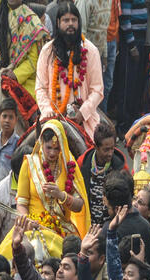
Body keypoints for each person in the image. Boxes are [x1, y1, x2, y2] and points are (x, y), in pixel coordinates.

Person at [9, 121, 91, 259]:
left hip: (62, 230)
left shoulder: (69, 166)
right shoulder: (29, 163)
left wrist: (61, 195)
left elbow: (79, 206)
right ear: (41, 142)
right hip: (32, 227)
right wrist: (27, 220)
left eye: (56, 148)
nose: (52, 153)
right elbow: (21, 203)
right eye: (48, 148)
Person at [35, 2, 104, 139]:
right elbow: (40, 88)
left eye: (74, 20)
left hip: (83, 119)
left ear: (79, 23)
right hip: (51, 117)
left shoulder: (91, 51)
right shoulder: (47, 51)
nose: (70, 24)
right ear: (58, 23)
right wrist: (48, 110)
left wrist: (82, 113)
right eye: (66, 20)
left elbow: (97, 90)